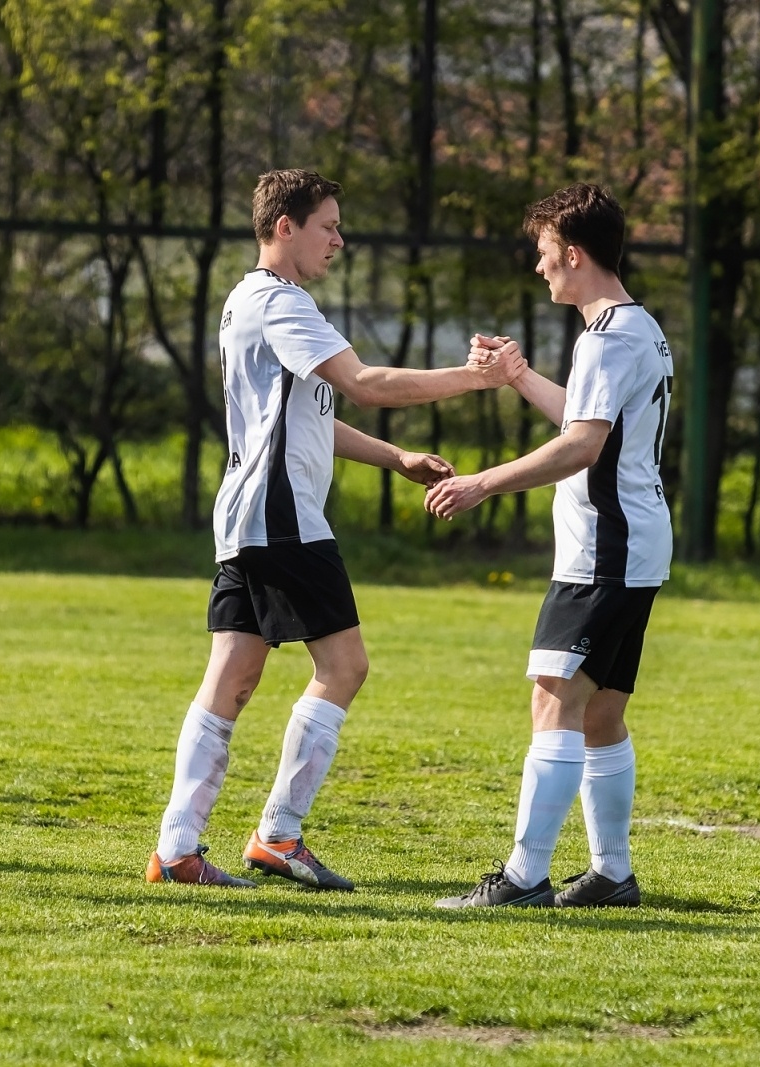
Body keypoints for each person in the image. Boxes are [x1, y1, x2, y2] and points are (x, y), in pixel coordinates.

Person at [145, 168, 525, 891]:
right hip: (283, 518)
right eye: (328, 225)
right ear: (284, 226)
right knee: (344, 668)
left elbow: (311, 411)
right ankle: (277, 835)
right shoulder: (280, 303)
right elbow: (365, 384)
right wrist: (474, 378)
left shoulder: (251, 301)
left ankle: (177, 848)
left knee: (232, 677)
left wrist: (396, 457)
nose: (339, 240)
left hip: (249, 517)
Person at [426, 183, 673, 909]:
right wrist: (518, 374)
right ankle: (613, 872)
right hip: (634, 546)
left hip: (605, 549)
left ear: (573, 253)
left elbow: (581, 446)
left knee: (553, 700)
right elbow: (589, 415)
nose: (540, 268)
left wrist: (481, 484)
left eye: (543, 254)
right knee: (600, 713)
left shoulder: (607, 335)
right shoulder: (637, 326)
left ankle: (523, 877)